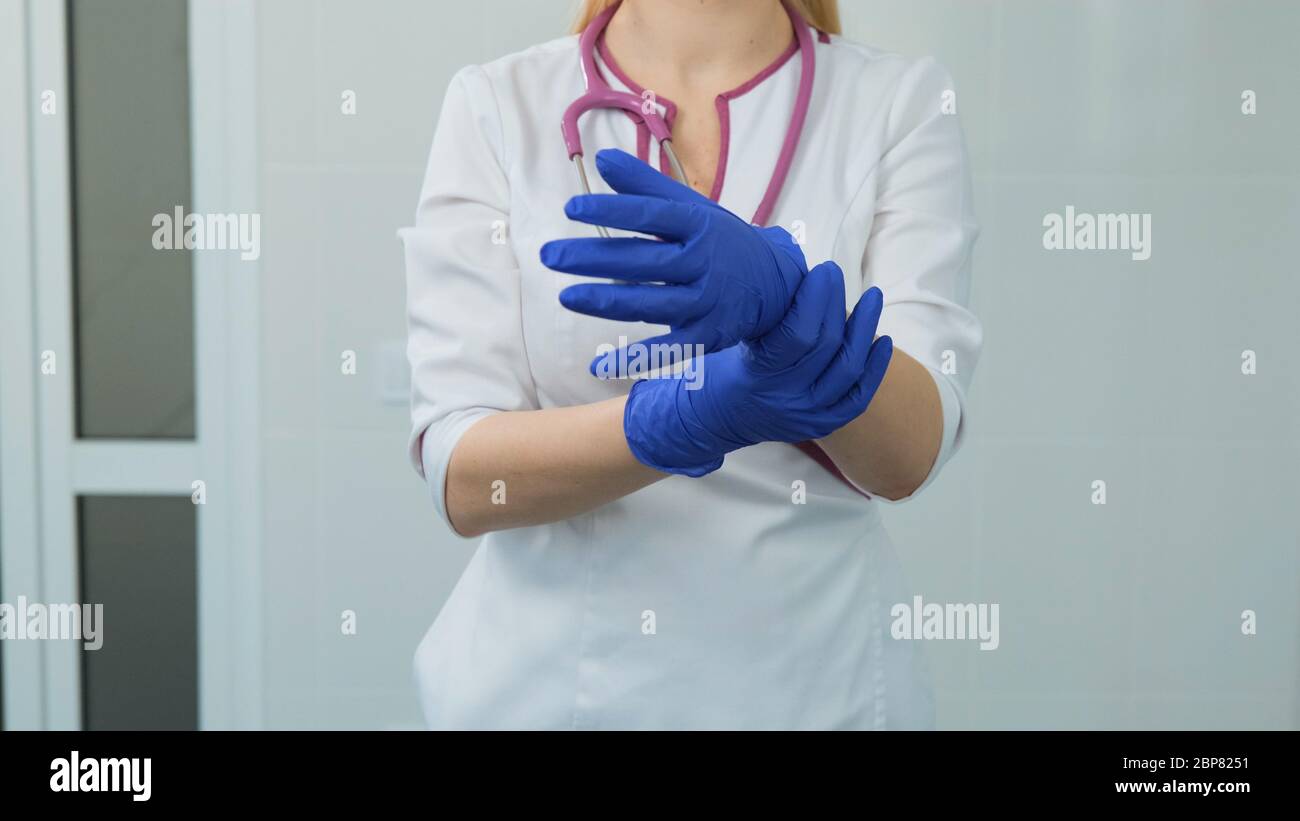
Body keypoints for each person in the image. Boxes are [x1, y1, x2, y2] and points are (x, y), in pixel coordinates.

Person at [399, 0, 981, 729]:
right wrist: (671, 424)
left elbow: (909, 454)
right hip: (551, 692)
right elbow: (466, 477)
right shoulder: (497, 105)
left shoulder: (898, 104)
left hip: (816, 689)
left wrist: (795, 312)